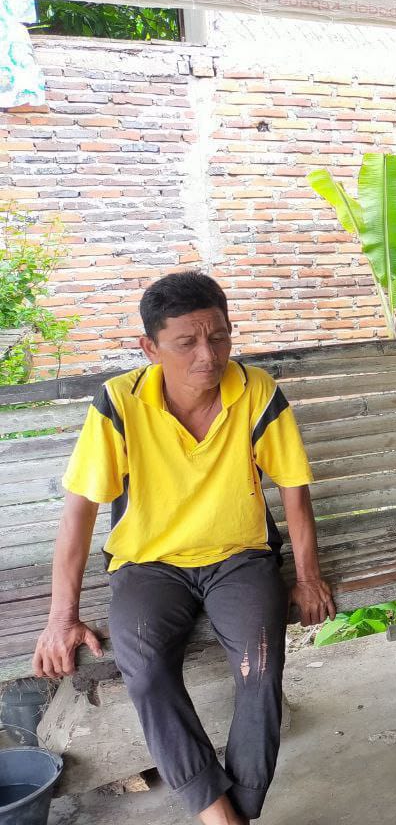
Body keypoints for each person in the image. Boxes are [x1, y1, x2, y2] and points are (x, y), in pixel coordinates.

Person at [31, 272, 334, 825]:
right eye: (186, 342)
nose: (208, 355)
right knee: (145, 670)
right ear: (150, 348)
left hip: (240, 559)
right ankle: (220, 814)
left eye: (219, 337)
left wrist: (308, 577)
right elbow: (80, 512)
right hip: (149, 565)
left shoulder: (256, 391)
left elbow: (294, 489)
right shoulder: (120, 402)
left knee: (260, 668)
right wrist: (61, 617)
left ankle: (235, 811)